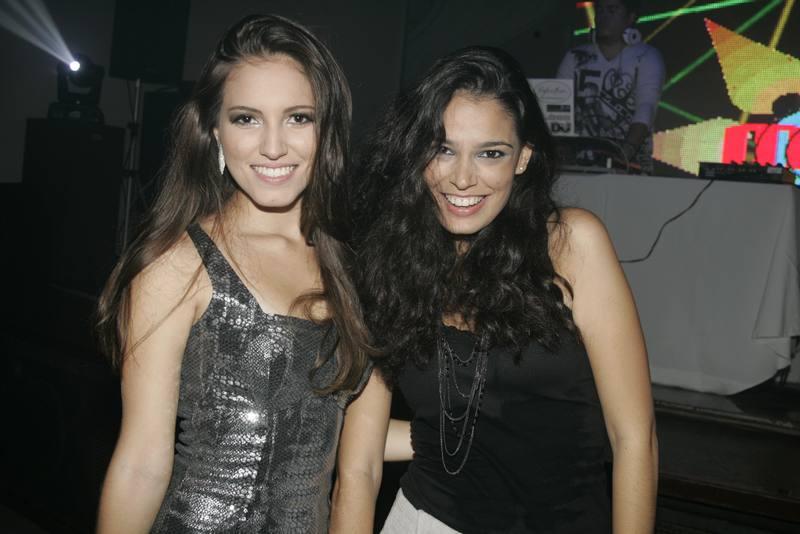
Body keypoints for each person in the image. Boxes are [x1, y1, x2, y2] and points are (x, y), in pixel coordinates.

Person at [342, 46, 658, 533]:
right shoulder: (393, 260)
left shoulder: (571, 244)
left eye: (490, 153)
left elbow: (634, 438)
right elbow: (362, 460)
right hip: (422, 520)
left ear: (523, 157)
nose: (462, 178)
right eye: (443, 149)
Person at [94, 14, 383, 533]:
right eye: (247, 119)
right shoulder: (178, 265)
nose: (273, 146)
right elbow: (141, 465)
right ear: (214, 131)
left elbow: (355, 455)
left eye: (298, 118)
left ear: (327, 129)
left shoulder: (355, 268)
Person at [557, 0, 665, 174]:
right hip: (578, 166)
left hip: (630, 168)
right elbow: (558, 107)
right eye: (600, 10)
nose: (603, 16)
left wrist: (624, 154)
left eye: (612, 10)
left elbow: (646, 107)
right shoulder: (574, 57)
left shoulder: (647, 57)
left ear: (630, 17)